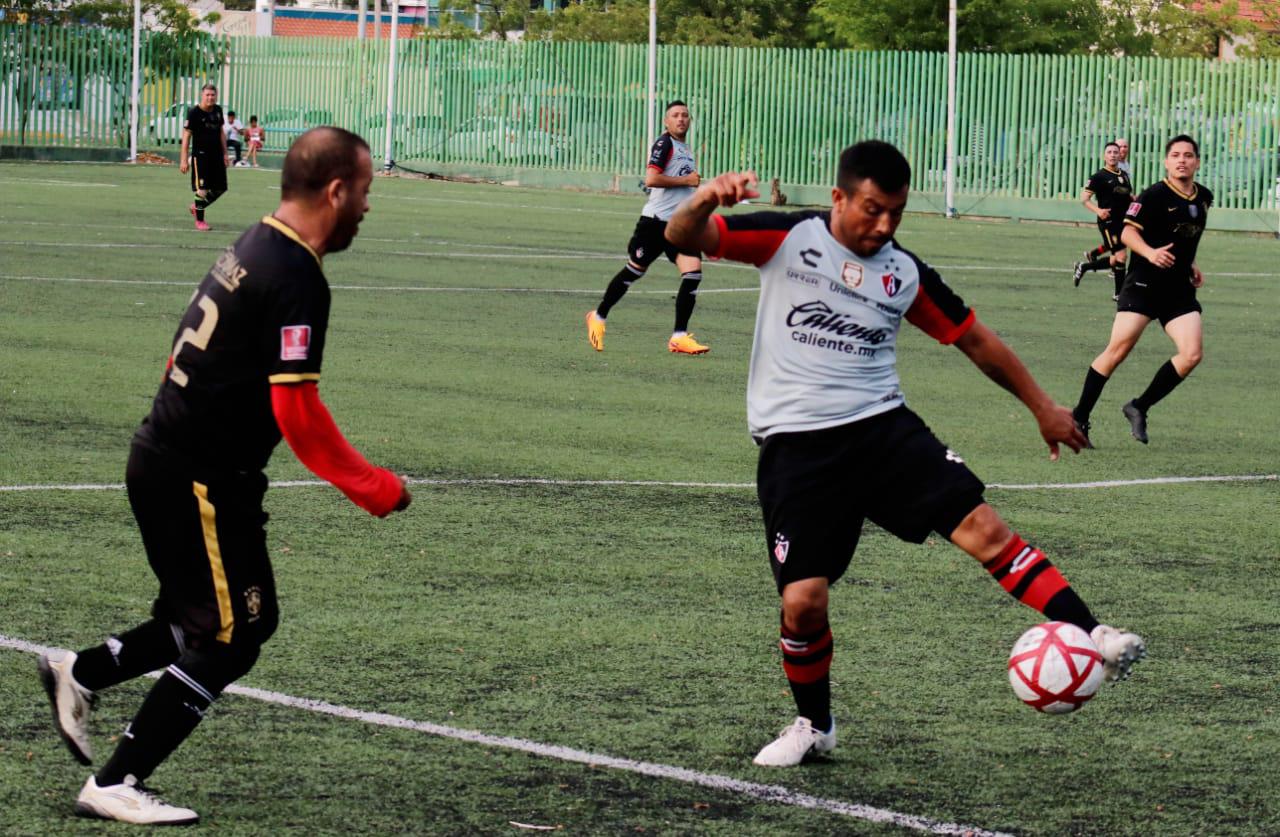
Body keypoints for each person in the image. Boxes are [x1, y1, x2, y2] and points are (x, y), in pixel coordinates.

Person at [664, 140, 1145, 768]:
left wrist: (1043, 407)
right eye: (871, 209)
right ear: (839, 198)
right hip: (796, 447)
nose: (883, 225)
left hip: (882, 429)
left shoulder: (903, 271)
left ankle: (1093, 632)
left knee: (986, 530)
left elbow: (975, 338)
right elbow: (686, 236)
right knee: (803, 602)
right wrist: (702, 198)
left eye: (896, 211)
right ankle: (815, 724)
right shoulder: (788, 239)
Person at [37, 127, 412, 824]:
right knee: (237, 631)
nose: (366, 205)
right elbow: (297, 413)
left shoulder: (255, 242)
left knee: (194, 620)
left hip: (175, 460)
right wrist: (372, 485)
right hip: (197, 477)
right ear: (336, 190)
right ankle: (115, 781)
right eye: (364, 190)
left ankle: (82, 670)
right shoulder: (295, 273)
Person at [1071, 134, 1211, 445]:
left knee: (1191, 354)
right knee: (1118, 350)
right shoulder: (1152, 195)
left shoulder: (1204, 197)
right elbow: (1127, 234)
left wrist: (1192, 263)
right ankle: (1078, 418)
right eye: (1175, 155)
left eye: (1188, 155)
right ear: (1166, 161)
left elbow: (1188, 238)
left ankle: (1138, 407)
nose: (1182, 160)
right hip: (1145, 284)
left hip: (1177, 289)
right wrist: (1150, 253)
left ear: (1197, 162)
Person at [586, 100, 709, 355]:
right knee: (634, 271)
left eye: (685, 115)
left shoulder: (685, 148)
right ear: (666, 121)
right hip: (654, 225)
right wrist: (686, 180)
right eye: (675, 115)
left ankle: (679, 336)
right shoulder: (664, 144)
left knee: (693, 273)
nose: (681, 119)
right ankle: (598, 316)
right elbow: (652, 179)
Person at [1072, 141, 1133, 300]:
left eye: (1115, 152)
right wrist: (1099, 211)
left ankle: (1084, 266)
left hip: (1123, 222)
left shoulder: (1124, 176)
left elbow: (1127, 197)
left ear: (1120, 155)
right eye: (1109, 152)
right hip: (1108, 223)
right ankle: (1119, 294)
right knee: (1121, 257)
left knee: (1116, 259)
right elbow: (1084, 199)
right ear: (1104, 156)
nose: (1113, 155)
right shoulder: (1099, 177)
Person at [180, 84, 229, 231]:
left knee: (220, 188)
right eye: (207, 95)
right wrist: (184, 159)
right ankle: (200, 221)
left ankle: (196, 207)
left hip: (217, 156)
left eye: (213, 95)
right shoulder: (194, 113)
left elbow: (221, 132)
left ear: (216, 96)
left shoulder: (218, 111)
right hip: (200, 156)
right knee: (203, 189)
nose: (210, 97)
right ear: (202, 95)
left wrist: (225, 153)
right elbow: (186, 136)